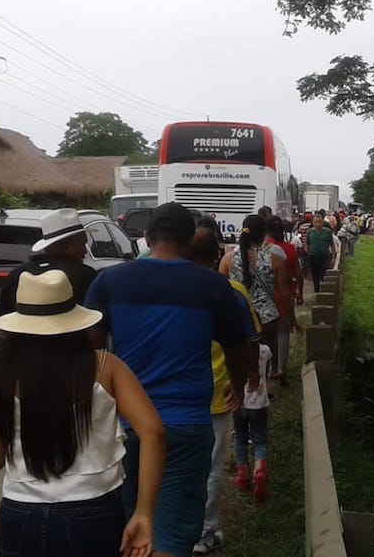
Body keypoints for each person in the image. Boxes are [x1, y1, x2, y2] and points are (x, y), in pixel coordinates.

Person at [84, 202, 258, 557]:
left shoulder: (110, 280)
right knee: (171, 536)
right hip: (187, 427)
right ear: (190, 241)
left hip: (125, 427)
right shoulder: (215, 287)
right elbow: (240, 348)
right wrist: (236, 385)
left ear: (147, 237)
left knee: (127, 528)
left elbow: (89, 350)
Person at [0, 270, 166, 557]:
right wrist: (143, 513)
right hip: (93, 513)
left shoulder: (3, 378)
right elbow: (153, 433)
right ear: (75, 321)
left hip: (20, 516)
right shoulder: (107, 367)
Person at [187, 220, 261, 555]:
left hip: (173, 396)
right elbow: (250, 344)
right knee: (211, 468)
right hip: (218, 394)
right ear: (218, 253)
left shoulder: (167, 290)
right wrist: (242, 380)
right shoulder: (233, 292)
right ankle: (206, 532)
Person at [220, 215, 292, 380]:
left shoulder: (227, 259)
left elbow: (221, 293)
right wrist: (292, 318)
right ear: (264, 233)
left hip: (239, 320)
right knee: (264, 357)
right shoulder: (276, 259)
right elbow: (285, 294)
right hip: (267, 319)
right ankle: (262, 389)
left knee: (240, 359)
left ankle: (243, 389)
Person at [0, 208, 96, 315]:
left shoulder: (17, 275)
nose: (85, 251)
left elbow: (4, 319)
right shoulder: (85, 275)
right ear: (66, 246)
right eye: (82, 244)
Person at [232, 341, 272, 503]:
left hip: (240, 403)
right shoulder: (265, 349)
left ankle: (243, 477)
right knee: (260, 442)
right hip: (260, 404)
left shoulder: (235, 350)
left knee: (240, 439)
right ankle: (259, 471)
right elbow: (267, 372)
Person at [265, 215, 300, 384]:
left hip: (265, 299)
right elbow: (298, 273)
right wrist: (299, 292)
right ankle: (281, 369)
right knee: (282, 333)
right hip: (284, 297)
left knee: (267, 336)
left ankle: (271, 368)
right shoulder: (290, 249)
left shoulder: (257, 251)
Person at [306, 212, 337, 292]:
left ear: (322, 222)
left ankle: (324, 292)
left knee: (323, 275)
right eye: (316, 222)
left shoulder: (327, 232)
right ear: (313, 223)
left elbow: (332, 245)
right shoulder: (309, 232)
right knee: (315, 277)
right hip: (313, 257)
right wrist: (308, 254)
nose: (318, 224)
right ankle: (317, 292)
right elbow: (308, 245)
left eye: (319, 222)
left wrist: (333, 257)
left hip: (324, 257)